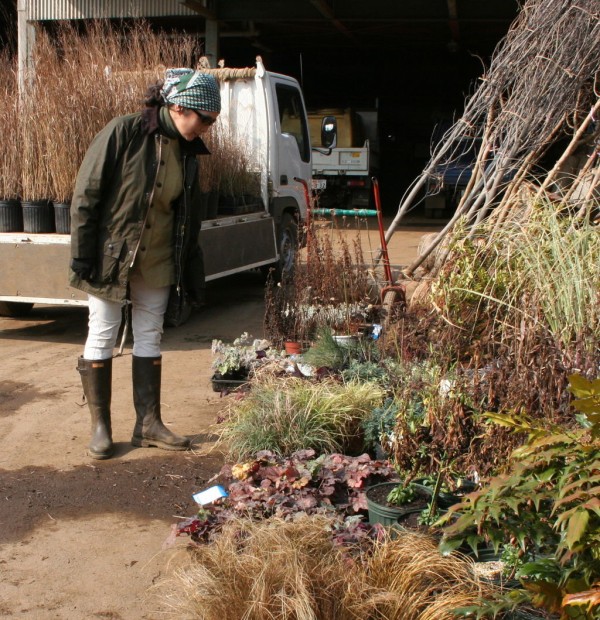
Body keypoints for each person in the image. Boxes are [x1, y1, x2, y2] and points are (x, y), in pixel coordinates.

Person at [69, 68, 221, 460]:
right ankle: (101, 427)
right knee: (103, 331)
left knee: (150, 333)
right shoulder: (124, 132)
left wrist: (192, 269)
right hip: (113, 254)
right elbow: (87, 194)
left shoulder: (188, 153)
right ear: (177, 107)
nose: (207, 127)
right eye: (204, 118)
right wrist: (83, 254)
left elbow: (189, 217)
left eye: (211, 121)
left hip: (158, 257)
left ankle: (148, 423)